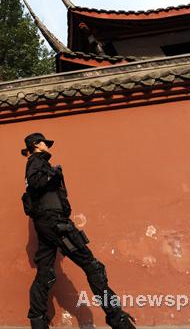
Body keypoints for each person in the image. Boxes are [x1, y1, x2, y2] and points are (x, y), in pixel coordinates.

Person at [21, 133, 136, 329]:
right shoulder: (36, 161)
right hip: (55, 222)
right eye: (44, 143)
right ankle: (118, 319)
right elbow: (34, 182)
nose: (47, 146)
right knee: (93, 266)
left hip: (46, 223)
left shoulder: (38, 162)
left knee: (45, 273)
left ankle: (37, 321)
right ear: (36, 145)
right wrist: (53, 174)